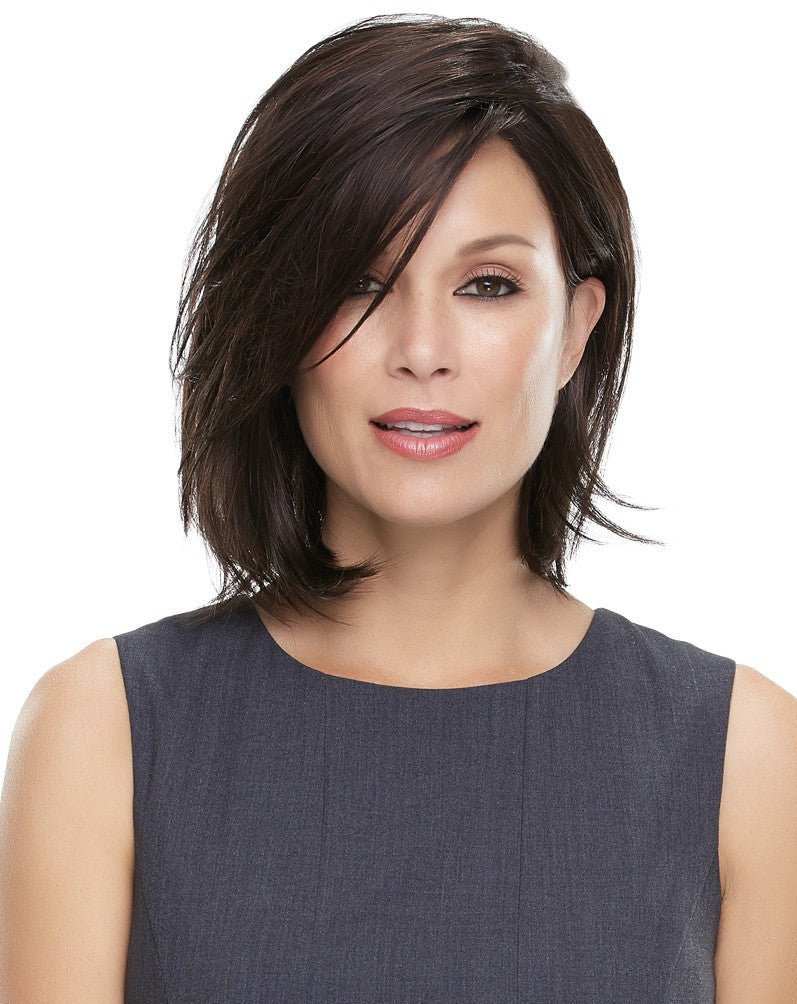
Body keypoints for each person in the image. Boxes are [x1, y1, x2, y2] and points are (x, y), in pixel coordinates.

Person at [1, 12, 795, 1002]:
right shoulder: (102, 730)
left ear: (574, 329)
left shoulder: (746, 757)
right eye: (358, 282)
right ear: (277, 318)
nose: (421, 349)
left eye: (487, 284)